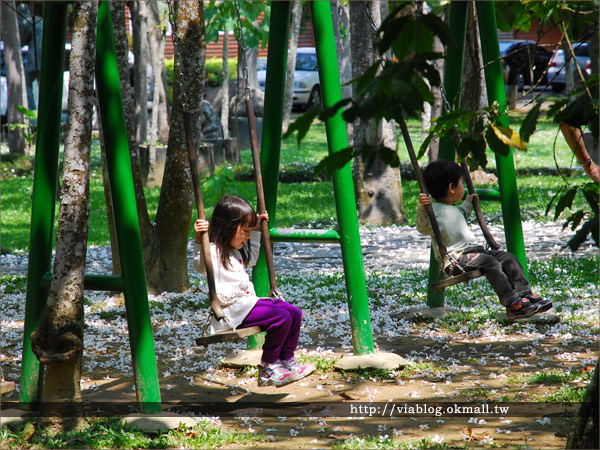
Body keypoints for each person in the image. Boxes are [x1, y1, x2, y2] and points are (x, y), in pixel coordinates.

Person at [194, 195, 315, 387]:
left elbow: (252, 257)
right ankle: (268, 367)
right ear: (227, 227)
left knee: (294, 312)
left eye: (249, 231)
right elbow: (200, 264)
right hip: (231, 312)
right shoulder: (214, 252)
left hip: (247, 304)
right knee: (281, 317)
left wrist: (258, 230)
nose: (247, 236)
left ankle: (286, 361)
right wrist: (199, 239)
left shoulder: (236, 251)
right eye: (244, 231)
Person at [416, 160, 552, 319]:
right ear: (452, 188)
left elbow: (460, 215)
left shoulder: (452, 208)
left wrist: (468, 203)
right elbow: (424, 227)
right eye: (461, 183)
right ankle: (512, 302)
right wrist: (422, 209)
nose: (464, 186)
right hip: (457, 258)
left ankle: (525, 294)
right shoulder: (433, 211)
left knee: (507, 257)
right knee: (490, 262)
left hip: (474, 252)